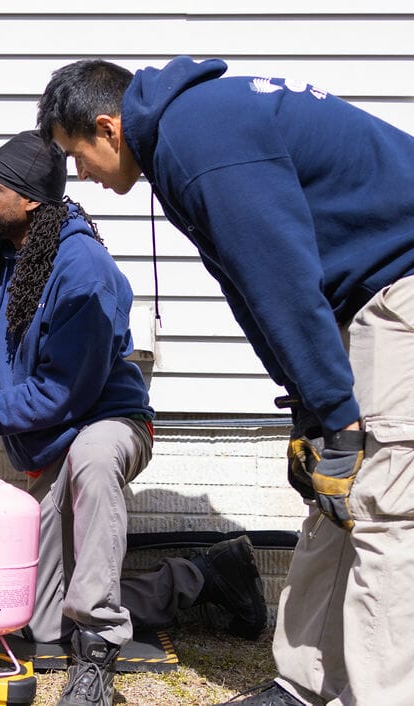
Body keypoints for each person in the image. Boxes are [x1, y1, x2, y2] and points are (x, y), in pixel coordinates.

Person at [0, 130, 266, 706]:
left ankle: (98, 654)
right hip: (58, 437)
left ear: (29, 199)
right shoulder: (6, 259)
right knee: (38, 616)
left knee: (91, 456)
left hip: (111, 422)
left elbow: (60, 395)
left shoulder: (84, 274)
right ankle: (206, 578)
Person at [37, 57, 414, 706]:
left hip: (402, 279)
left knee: (382, 502)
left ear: (108, 128)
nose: (82, 176)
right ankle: (302, 685)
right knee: (338, 497)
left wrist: (342, 422)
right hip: (365, 291)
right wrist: (311, 411)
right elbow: (248, 288)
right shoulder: (179, 138)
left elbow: (285, 279)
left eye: (77, 156)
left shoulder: (198, 136)